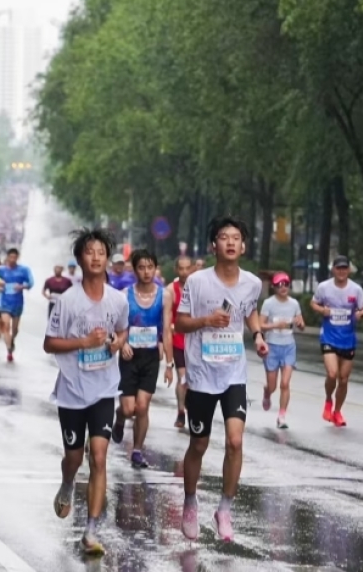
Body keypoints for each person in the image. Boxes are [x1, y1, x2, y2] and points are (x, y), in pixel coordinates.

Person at [176, 215, 268, 543]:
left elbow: (249, 310)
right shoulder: (197, 282)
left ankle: (225, 509)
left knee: (235, 441)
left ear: (243, 246)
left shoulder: (252, 283)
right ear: (213, 245)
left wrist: (257, 335)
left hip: (233, 373)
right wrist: (206, 320)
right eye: (224, 237)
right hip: (202, 375)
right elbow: (180, 323)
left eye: (236, 237)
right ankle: (190, 503)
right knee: (199, 444)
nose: (230, 242)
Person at [44, 228, 129, 556]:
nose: (96, 257)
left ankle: (91, 531)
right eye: (89, 252)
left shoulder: (117, 300)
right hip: (71, 390)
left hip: (104, 389)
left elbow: (122, 331)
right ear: (80, 259)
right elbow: (49, 343)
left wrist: (117, 343)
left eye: (101, 252)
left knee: (99, 457)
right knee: (74, 458)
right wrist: (84, 342)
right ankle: (67, 482)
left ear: (107, 259)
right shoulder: (67, 301)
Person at [112, 248, 173, 469]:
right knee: (129, 409)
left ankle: (137, 451)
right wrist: (123, 344)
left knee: (142, 406)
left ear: (155, 268)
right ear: (134, 270)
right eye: (141, 267)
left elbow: (166, 330)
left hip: (150, 356)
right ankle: (119, 418)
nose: (146, 272)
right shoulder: (124, 295)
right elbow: (116, 327)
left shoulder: (165, 296)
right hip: (129, 356)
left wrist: (169, 363)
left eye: (150, 267)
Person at [310, 255, 363, 427]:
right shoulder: (324, 287)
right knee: (332, 374)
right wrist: (322, 310)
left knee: (343, 379)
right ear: (333, 269)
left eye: (344, 268)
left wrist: (360, 314)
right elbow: (313, 303)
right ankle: (328, 400)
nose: (341, 271)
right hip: (329, 336)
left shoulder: (356, 289)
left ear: (349, 270)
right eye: (338, 268)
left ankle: (338, 411)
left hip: (348, 339)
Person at [260, 272, 304, 429]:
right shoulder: (268, 303)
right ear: (274, 287)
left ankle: (282, 416)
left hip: (289, 346)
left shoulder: (294, 304)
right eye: (279, 285)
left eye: (286, 284)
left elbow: (302, 325)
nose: (283, 287)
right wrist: (275, 325)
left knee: (285, 383)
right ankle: (267, 392)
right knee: (273, 386)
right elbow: (260, 325)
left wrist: (300, 324)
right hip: (272, 347)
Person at [0, 248, 34, 362]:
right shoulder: (1, 270)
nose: (12, 259)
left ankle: (12, 340)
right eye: (10, 257)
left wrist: (22, 286)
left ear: (18, 257)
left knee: (15, 329)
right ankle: (9, 351)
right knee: (5, 326)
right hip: (4, 303)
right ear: (7, 257)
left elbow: (31, 283)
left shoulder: (24, 270)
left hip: (18, 303)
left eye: (15, 257)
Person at [169, 256, 194, 428]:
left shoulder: (199, 287)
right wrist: (169, 326)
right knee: (182, 377)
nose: (184, 272)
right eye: (181, 268)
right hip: (178, 339)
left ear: (192, 269)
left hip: (196, 340)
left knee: (194, 380)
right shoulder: (171, 290)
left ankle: (192, 408)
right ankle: (180, 412)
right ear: (176, 270)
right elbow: (166, 314)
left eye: (187, 268)